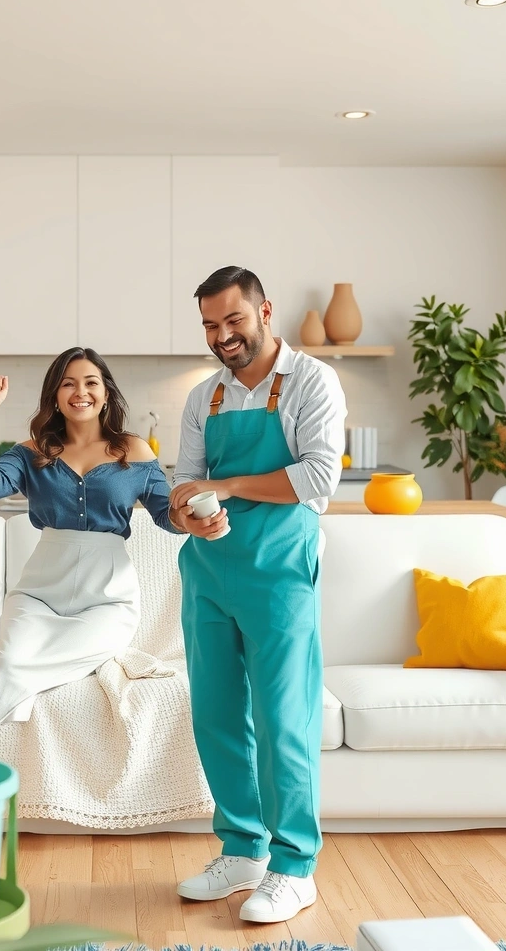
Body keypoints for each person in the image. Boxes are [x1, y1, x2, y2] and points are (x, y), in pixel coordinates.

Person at [168, 266, 347, 924]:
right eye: (211, 326)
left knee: (283, 720)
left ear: (264, 310)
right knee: (216, 716)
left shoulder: (312, 381)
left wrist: (234, 488)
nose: (222, 336)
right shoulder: (203, 398)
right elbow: (184, 486)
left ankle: (294, 866)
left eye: (232, 320)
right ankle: (242, 851)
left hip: (278, 570)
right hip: (210, 573)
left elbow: (319, 476)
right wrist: (190, 514)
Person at [0, 346, 178, 751]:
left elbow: (165, 515)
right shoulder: (32, 451)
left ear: (106, 392)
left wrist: (195, 518)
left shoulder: (134, 449)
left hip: (108, 601)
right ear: (54, 394)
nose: (80, 392)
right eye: (67, 383)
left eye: (90, 382)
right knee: (10, 662)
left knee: (12, 671)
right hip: (39, 595)